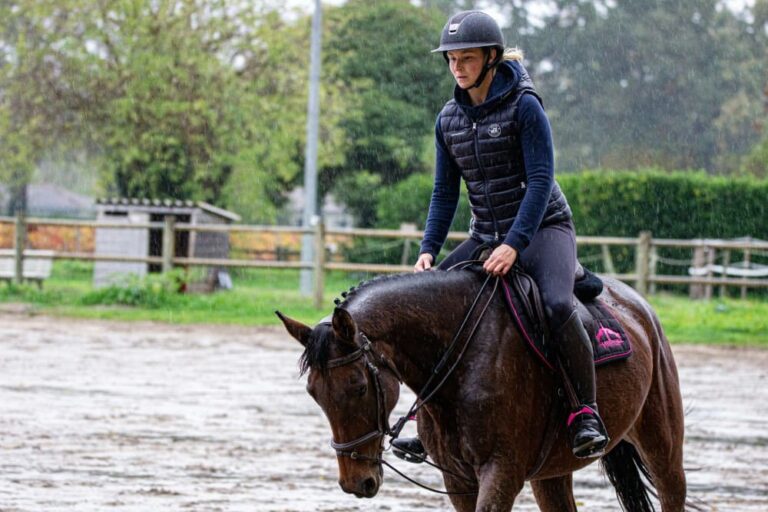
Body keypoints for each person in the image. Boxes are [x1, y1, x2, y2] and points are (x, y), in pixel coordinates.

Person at [391, 10, 609, 461]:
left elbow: (542, 179)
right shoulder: (448, 119)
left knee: (554, 304)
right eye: (451, 59)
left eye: (467, 58)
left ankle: (585, 412)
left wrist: (514, 243)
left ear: (492, 57)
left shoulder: (526, 105)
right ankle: (425, 418)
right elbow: (444, 191)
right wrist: (428, 250)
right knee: (429, 304)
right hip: (485, 234)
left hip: (544, 228)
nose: (457, 67)